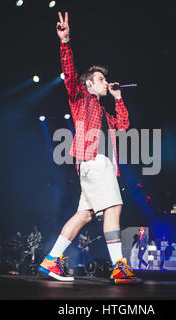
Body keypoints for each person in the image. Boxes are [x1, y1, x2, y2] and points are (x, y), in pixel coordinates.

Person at [39, 12, 138, 283]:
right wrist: (65, 41)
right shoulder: (80, 97)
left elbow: (124, 126)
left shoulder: (103, 112)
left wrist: (118, 98)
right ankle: (119, 266)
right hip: (94, 161)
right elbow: (70, 73)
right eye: (102, 80)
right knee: (113, 208)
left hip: (94, 164)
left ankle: (50, 261)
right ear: (89, 84)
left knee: (84, 214)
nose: (107, 83)